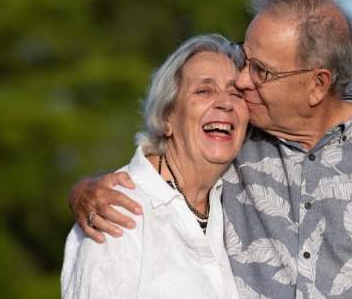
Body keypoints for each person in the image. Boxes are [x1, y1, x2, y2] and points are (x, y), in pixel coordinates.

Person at [68, 0, 352, 298]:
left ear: (317, 85)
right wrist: (85, 191)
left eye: (261, 71)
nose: (242, 81)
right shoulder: (235, 134)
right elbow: (166, 164)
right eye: (244, 57)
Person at [61, 34, 248, 298]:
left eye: (236, 93)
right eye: (204, 90)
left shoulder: (240, 197)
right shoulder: (119, 211)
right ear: (165, 118)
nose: (226, 103)